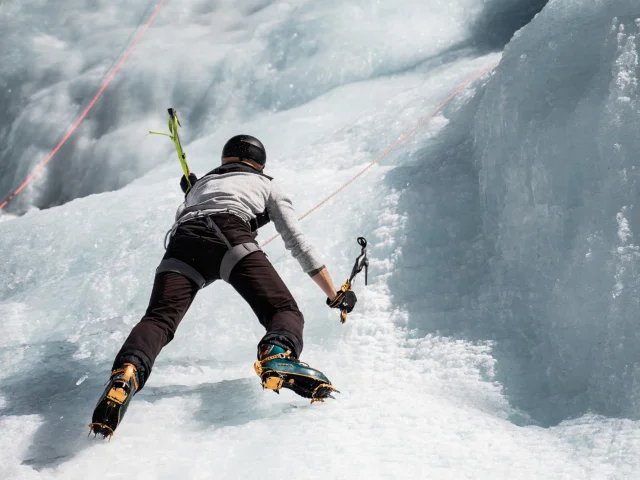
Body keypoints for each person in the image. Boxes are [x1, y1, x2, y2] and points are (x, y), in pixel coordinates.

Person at [90, 135, 357, 438]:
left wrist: (192, 191)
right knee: (282, 310)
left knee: (158, 320)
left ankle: (126, 373)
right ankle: (277, 354)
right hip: (229, 236)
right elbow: (296, 242)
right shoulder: (268, 184)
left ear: (225, 160)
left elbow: (193, 208)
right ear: (259, 163)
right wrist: (335, 295)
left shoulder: (200, 186)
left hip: (182, 243)